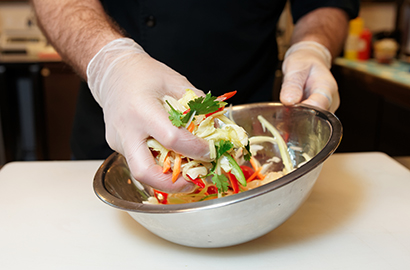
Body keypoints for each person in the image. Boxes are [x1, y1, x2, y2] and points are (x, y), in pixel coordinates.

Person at [31, 0, 359, 192]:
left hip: (249, 142)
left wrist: (313, 46)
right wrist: (110, 63)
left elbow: (325, 3)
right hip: (112, 126)